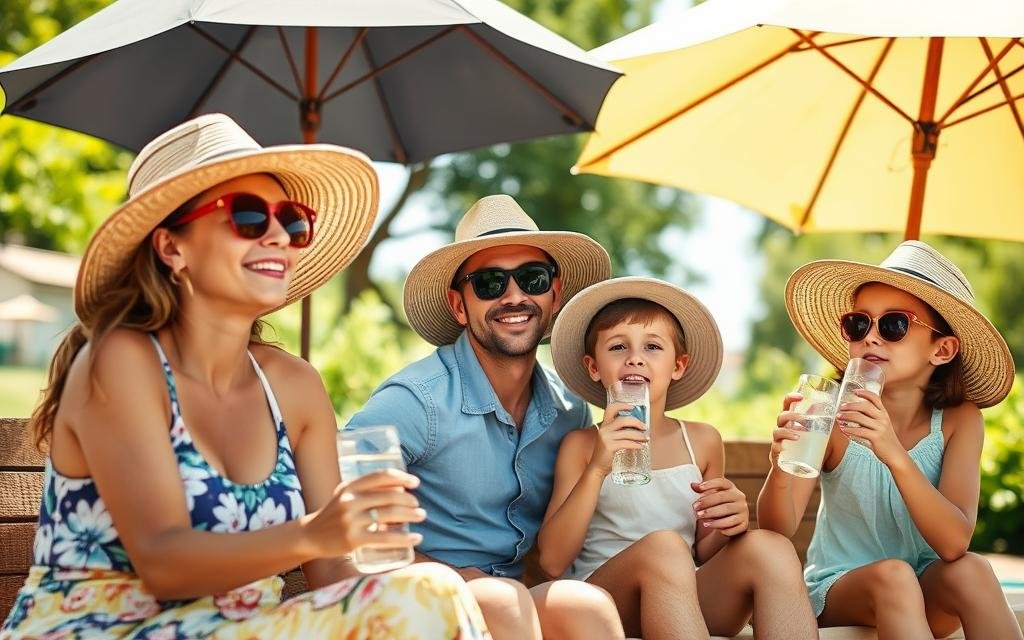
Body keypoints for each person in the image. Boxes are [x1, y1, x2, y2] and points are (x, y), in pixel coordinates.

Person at [0, 113, 489, 640]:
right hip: (103, 630)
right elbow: (164, 564)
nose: (279, 235)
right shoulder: (121, 360)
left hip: (247, 629)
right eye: (249, 217)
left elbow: (332, 576)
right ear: (172, 248)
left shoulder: (293, 385)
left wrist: (399, 576)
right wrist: (313, 534)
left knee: (433, 591)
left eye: (293, 220)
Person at [347, 194, 624, 639]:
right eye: (491, 284)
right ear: (460, 306)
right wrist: (456, 580)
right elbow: (345, 518)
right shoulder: (416, 400)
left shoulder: (569, 411)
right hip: (414, 600)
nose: (515, 296)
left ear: (554, 295)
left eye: (532, 279)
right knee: (503, 599)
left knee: (585, 606)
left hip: (509, 601)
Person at [757, 241, 1023, 639]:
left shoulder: (959, 420)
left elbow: (953, 544)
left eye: (894, 324)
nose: (871, 338)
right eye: (858, 324)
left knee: (974, 570)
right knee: (894, 577)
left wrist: (893, 453)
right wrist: (782, 465)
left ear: (943, 349)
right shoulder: (829, 414)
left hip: (926, 587)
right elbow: (777, 528)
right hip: (840, 589)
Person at [539, 277, 818, 640]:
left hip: (681, 600)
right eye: (618, 346)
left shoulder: (701, 441)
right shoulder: (581, 446)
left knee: (772, 547)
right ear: (594, 367)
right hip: (608, 602)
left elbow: (705, 547)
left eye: (653, 346)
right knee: (664, 546)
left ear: (678, 365)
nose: (635, 357)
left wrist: (729, 522)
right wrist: (597, 468)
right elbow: (552, 561)